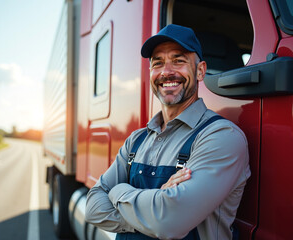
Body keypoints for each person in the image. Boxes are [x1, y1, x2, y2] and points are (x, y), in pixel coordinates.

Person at [85, 24, 251, 240]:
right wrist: (155, 203)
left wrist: (118, 191)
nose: (166, 72)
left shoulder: (221, 136)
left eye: (178, 61)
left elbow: (168, 222)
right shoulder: (136, 140)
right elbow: (92, 207)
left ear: (200, 70)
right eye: (158, 63)